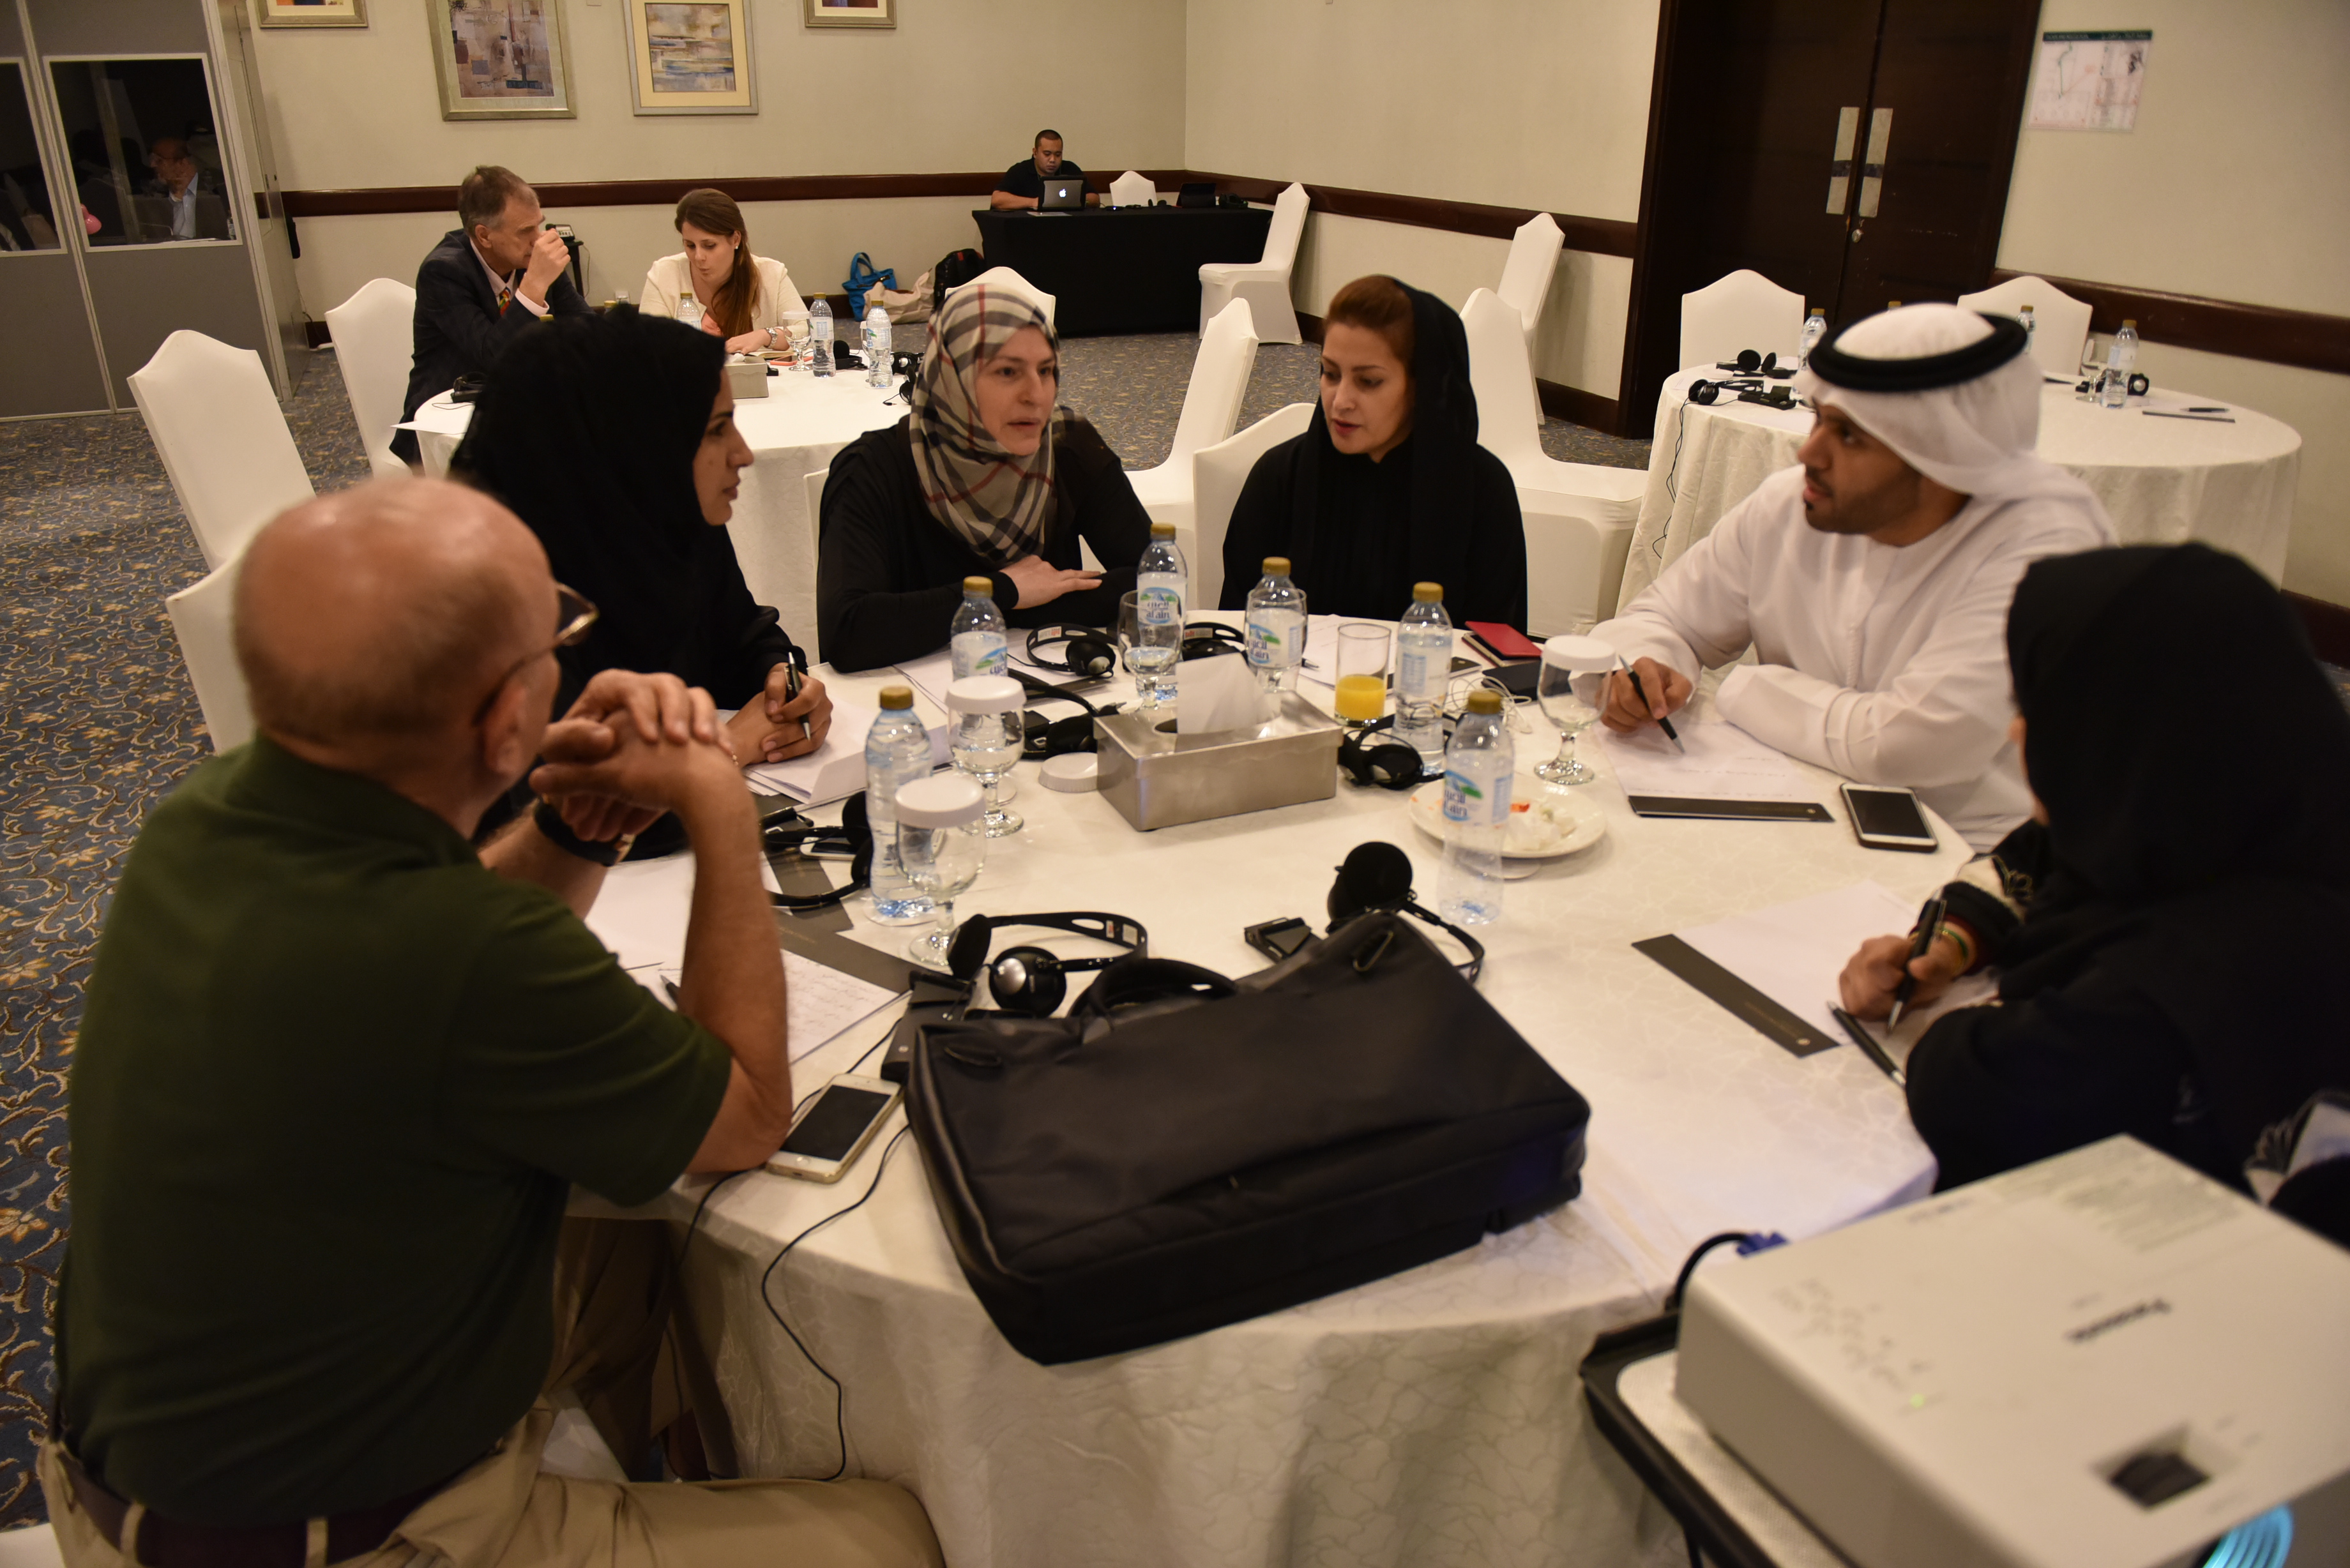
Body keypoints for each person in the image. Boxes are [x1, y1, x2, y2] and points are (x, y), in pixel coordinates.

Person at [43, 478, 944, 1568]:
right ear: (505, 718)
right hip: (341, 1544)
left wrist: (575, 827)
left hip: (159, 1470)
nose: (567, 654)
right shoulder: (467, 952)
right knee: (895, 1540)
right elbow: (750, 1115)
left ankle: (667, 1477)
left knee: (639, 1252)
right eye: (553, 637)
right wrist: (716, 800)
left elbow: (439, 970)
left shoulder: (205, 817)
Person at [1835, 543, 2350, 1213]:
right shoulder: (2257, 806)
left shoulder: (2160, 999)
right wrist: (1954, 942)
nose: (2017, 733)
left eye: (2044, 709)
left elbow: (1968, 1085)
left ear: (2117, 736)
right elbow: (2045, 852)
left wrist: (1948, 1024)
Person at [1584, 303, 2114, 850]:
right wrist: (1647, 667)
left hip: (1978, 853)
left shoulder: (2043, 548)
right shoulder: (1792, 504)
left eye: (1850, 435)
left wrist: (1747, 688)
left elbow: (1906, 746)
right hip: (1798, 807)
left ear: (1941, 454)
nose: (1809, 452)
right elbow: (1665, 617)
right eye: (1819, 419)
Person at [453, 306, 832, 774]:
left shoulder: (668, 521)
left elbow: (745, 636)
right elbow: (561, 793)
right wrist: (724, 749)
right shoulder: (515, 608)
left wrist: (782, 684)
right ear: (636, 441)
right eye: (717, 430)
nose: (743, 453)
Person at [815, 282, 1149, 670]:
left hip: (1047, 681)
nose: (1037, 395)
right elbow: (850, 631)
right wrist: (1004, 591)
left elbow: (1158, 578)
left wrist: (1016, 602)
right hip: (911, 696)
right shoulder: (872, 469)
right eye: (1008, 372)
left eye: (1046, 370)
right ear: (952, 375)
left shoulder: (1067, 445)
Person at [1218, 275, 1527, 626]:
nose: (1341, 401)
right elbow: (1234, 627)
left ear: (1421, 388)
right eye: (1330, 374)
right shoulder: (1279, 477)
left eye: (1368, 381)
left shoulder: (1482, 490)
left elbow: (1494, 643)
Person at [392, 165, 593, 466]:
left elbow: (588, 329)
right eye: (525, 231)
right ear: (484, 236)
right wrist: (534, 287)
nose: (538, 240)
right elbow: (493, 355)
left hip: (521, 410)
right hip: (448, 426)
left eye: (538, 226)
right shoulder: (444, 271)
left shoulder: (530, 258)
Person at [639, 186, 807, 356]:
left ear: (735, 239)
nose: (698, 257)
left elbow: (806, 330)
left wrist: (766, 336)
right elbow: (646, 344)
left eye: (709, 246)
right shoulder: (664, 274)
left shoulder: (771, 274)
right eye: (690, 245)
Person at [138, 136, 228, 241]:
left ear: (183, 163)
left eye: (159, 160)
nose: (152, 165)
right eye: (151, 160)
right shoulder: (154, 195)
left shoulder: (216, 189)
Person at [990, 128, 1095, 210]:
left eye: (1058, 155)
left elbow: (1094, 198)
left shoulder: (1070, 169)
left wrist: (1072, 200)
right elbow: (997, 200)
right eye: (1047, 154)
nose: (1053, 160)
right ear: (1035, 153)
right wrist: (1033, 202)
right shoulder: (1020, 171)